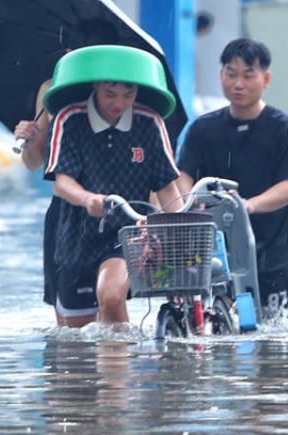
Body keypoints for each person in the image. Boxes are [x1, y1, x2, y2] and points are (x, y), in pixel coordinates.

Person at [177, 38, 288, 319]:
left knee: (273, 343)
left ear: (266, 79)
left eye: (248, 76)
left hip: (272, 253)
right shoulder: (202, 129)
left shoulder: (286, 130)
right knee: (217, 328)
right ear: (220, 75)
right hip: (215, 252)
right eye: (231, 74)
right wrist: (190, 204)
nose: (238, 84)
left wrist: (248, 206)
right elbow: (183, 176)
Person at [44, 80, 183, 327]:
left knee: (110, 295)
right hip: (78, 235)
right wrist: (88, 198)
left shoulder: (149, 121)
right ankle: (112, 362)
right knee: (78, 338)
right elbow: (61, 183)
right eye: (110, 94)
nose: (119, 103)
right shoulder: (70, 118)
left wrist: (181, 232)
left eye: (128, 95)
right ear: (96, 86)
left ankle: (121, 361)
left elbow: (166, 186)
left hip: (129, 233)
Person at [12, 79, 63, 322]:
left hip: (111, 207)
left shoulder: (125, 82)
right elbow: (34, 162)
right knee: (66, 321)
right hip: (64, 211)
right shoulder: (51, 86)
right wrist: (29, 142)